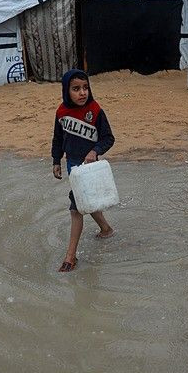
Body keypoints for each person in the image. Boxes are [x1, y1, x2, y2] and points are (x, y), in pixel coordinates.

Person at [51, 69, 115, 272]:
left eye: (85, 88)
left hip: (90, 167)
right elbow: (58, 139)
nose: (82, 93)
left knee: (76, 207)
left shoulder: (95, 110)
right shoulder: (61, 112)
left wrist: (95, 151)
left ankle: (70, 257)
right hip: (72, 166)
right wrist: (55, 160)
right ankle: (106, 229)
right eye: (76, 89)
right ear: (66, 91)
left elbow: (108, 138)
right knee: (85, 200)